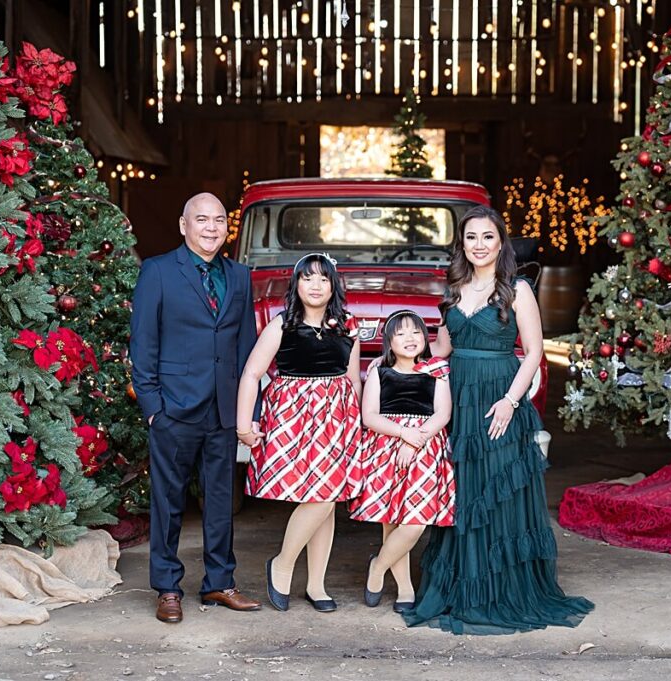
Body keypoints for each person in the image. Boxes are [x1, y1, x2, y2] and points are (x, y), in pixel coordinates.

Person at [402, 204, 594, 635]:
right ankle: (461, 589)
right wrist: (403, 368)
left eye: (487, 237)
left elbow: (535, 353)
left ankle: (501, 589)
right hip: (461, 400)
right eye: (471, 238)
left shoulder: (517, 289)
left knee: (498, 493)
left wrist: (511, 401)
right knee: (463, 491)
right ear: (461, 244)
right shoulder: (453, 288)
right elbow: (441, 352)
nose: (479, 245)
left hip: (500, 399)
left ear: (500, 242)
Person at [130, 192, 262, 624]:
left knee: (221, 500)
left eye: (219, 220)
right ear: (183, 225)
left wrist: (247, 410)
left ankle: (219, 583)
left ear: (228, 227)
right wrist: (153, 408)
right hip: (173, 409)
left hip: (223, 409)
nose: (210, 227)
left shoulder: (240, 276)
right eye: (201, 220)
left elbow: (246, 350)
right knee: (168, 502)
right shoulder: (158, 272)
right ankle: (168, 587)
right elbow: (143, 345)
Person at [236, 253, 362, 614]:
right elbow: (250, 375)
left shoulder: (347, 325)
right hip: (294, 419)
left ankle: (316, 583)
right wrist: (244, 425)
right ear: (296, 285)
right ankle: (283, 562)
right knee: (319, 496)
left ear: (334, 285)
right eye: (308, 278)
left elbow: (352, 379)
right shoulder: (281, 326)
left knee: (329, 498)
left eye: (324, 279)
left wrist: (357, 424)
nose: (316, 286)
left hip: (337, 418)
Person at [349, 310, 455, 613]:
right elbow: (369, 417)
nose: (410, 339)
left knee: (415, 522)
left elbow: (442, 414)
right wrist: (403, 434)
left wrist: (416, 439)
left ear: (426, 338)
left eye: (416, 332)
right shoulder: (379, 370)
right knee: (393, 519)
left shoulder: (437, 369)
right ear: (388, 341)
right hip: (387, 447)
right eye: (401, 333)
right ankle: (405, 588)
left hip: (425, 448)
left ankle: (378, 567)